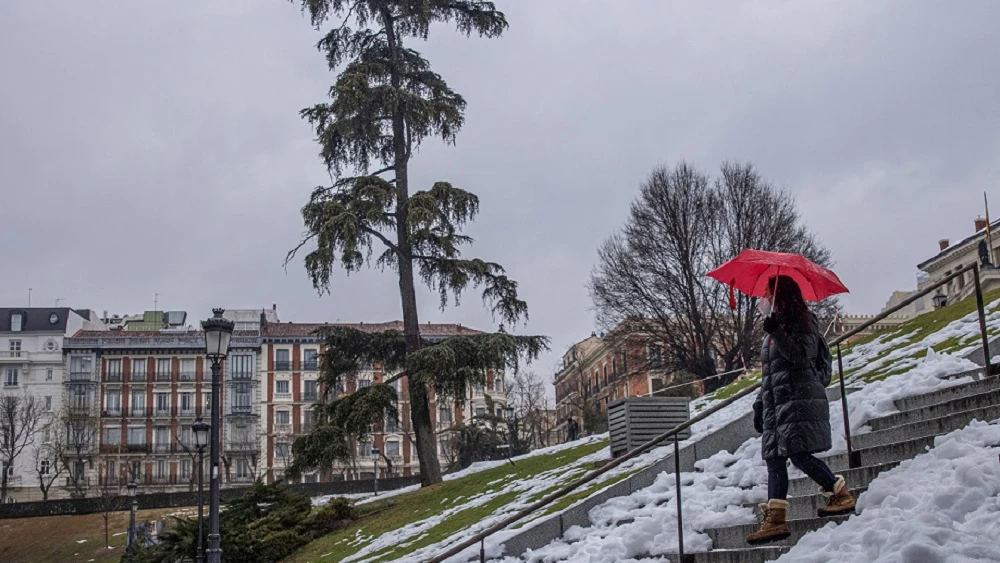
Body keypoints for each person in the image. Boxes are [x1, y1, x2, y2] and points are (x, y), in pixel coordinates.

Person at [746, 275, 855, 545]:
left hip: (797, 401)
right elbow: (772, 374)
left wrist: (777, 332)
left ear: (780, 294)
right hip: (778, 404)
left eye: (768, 292)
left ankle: (840, 493)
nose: (764, 298)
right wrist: (760, 403)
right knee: (774, 459)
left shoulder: (804, 321)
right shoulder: (774, 329)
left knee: (799, 455)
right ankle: (776, 521)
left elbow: (800, 358)